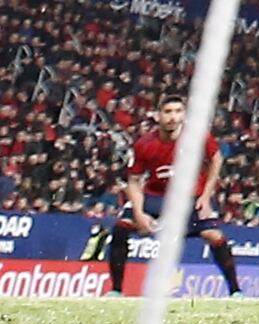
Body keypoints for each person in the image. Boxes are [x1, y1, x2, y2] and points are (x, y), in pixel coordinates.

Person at [104, 97, 249, 298]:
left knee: (215, 237)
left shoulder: (197, 136)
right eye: (168, 112)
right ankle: (116, 290)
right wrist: (139, 213)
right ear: (158, 115)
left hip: (189, 198)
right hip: (156, 197)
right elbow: (134, 181)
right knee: (121, 227)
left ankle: (235, 290)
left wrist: (206, 195)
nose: (173, 117)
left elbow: (216, 158)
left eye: (178, 111)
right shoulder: (145, 144)